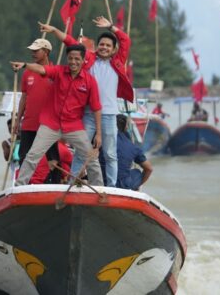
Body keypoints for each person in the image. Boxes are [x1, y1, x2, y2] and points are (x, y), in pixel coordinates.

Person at [40, 16, 132, 187]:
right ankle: (73, 182)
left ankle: (111, 187)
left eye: (108, 46)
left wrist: (111, 27)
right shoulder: (88, 58)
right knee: (80, 152)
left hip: (110, 115)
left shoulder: (118, 62)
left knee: (110, 154)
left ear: (113, 49)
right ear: (97, 47)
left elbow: (125, 40)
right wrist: (53, 31)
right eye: (102, 45)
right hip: (89, 114)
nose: (104, 48)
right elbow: (70, 42)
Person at [11, 43, 104, 187]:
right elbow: (42, 69)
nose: (73, 62)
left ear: (83, 59)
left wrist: (98, 133)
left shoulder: (90, 81)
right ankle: (19, 186)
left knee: (92, 158)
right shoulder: (59, 71)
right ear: (67, 58)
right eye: (70, 58)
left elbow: (96, 108)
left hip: (73, 126)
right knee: (32, 156)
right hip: (51, 124)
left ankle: (100, 189)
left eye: (77, 59)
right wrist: (24, 65)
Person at [14, 38, 55, 167]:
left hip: (48, 125)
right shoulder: (27, 73)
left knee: (52, 160)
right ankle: (23, 185)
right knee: (24, 157)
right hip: (29, 123)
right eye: (32, 51)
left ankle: (53, 183)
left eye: (36, 51)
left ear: (46, 52)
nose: (33, 54)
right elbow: (24, 98)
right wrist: (17, 119)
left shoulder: (55, 72)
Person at [112, 114, 153, 190]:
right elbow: (149, 169)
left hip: (104, 180)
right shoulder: (132, 146)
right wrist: (137, 186)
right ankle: (134, 189)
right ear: (126, 127)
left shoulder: (103, 139)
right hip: (122, 185)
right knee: (137, 172)